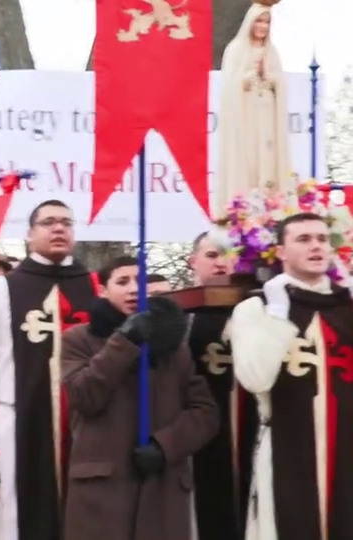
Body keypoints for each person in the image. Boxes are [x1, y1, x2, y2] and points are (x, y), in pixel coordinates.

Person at [62, 255, 219, 540]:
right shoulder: (78, 340)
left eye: (142, 281)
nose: (135, 289)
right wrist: (124, 341)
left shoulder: (174, 348)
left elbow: (204, 412)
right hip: (104, 493)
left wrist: (165, 446)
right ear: (103, 290)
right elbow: (84, 396)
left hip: (162, 488)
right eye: (123, 282)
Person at [0, 199, 99, 540]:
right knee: (16, 517)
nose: (59, 228)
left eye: (66, 223)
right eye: (48, 222)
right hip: (17, 423)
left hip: (84, 423)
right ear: (29, 234)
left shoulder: (95, 288)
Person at [230, 213, 353, 540]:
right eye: (303, 239)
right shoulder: (256, 309)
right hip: (287, 445)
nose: (316, 246)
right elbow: (254, 378)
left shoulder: (347, 304)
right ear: (280, 252)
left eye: (322, 239)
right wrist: (278, 316)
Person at [185, 231, 255, 540]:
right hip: (200, 435)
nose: (221, 264)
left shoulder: (263, 309)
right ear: (194, 262)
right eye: (212, 256)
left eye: (229, 256)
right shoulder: (180, 314)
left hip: (256, 429)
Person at [213, 0, 292, 218]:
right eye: (259, 21)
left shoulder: (271, 52)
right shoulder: (236, 49)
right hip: (246, 117)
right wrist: (247, 77)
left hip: (266, 112)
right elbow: (229, 85)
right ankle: (242, 207)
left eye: (267, 22)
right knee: (248, 159)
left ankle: (271, 206)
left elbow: (280, 83)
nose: (263, 27)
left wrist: (271, 77)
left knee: (268, 158)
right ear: (250, 22)